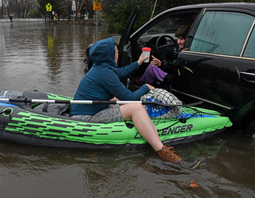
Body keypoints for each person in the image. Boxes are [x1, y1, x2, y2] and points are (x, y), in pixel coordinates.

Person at [70, 37, 200, 169]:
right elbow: (130, 99)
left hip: (90, 109)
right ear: (107, 55)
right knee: (136, 107)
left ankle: (152, 134)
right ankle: (165, 154)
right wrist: (146, 87)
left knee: (118, 99)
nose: (118, 54)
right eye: (115, 52)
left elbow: (120, 72)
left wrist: (139, 62)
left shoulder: (102, 67)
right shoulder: (105, 73)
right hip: (86, 118)